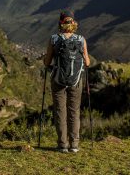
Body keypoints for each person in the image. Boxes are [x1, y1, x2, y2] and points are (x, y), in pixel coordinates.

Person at [44, 10, 90, 153]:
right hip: (75, 80)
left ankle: (62, 145)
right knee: (74, 111)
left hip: (58, 80)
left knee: (60, 111)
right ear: (73, 22)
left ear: (61, 23)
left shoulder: (54, 39)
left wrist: (44, 60)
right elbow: (87, 62)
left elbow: (47, 62)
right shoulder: (81, 40)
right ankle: (74, 145)